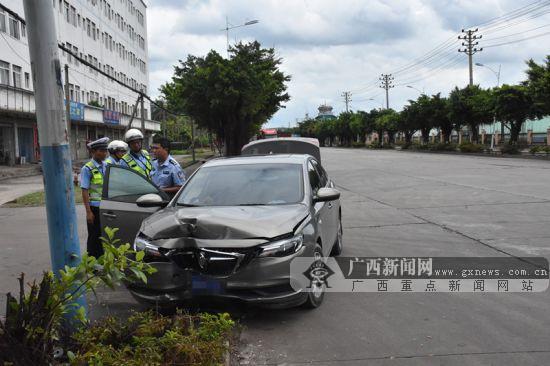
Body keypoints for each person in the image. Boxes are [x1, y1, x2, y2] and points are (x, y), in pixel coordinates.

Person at [80, 137, 109, 258]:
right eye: (101, 151)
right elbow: (84, 190)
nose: (104, 153)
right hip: (94, 208)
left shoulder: (107, 166)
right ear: (93, 152)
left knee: (105, 236)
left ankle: (102, 261)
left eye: (105, 151)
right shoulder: (87, 168)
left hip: (106, 207)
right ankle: (92, 263)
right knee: (94, 237)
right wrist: (88, 212)